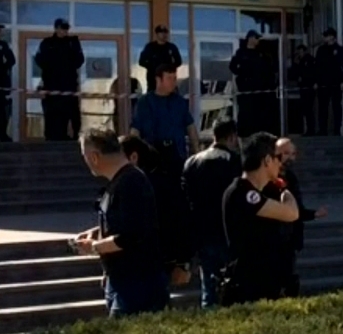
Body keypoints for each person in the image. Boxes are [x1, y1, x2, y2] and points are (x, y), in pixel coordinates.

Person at [73, 129, 169, 318]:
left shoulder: (132, 182)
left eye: (84, 156)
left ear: (94, 157)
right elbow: (121, 221)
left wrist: (94, 247)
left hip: (137, 284)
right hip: (120, 281)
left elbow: (131, 235)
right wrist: (95, 233)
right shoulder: (118, 181)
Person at [220, 132, 299, 305]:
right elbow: (291, 213)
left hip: (263, 280)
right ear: (267, 160)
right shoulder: (244, 193)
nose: (281, 162)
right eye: (278, 157)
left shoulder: (252, 191)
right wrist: (285, 192)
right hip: (250, 285)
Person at [120, 134, 195, 292]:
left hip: (157, 261)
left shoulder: (157, 185)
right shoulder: (126, 187)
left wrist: (183, 262)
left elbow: (181, 220)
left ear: (133, 157)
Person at [182, 119, 242, 309]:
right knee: (231, 287)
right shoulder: (234, 162)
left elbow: (185, 199)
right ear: (232, 137)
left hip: (202, 232)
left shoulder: (192, 162)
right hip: (227, 232)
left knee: (209, 285)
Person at [276, 137, 328, 296]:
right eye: (285, 154)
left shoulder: (290, 177)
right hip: (275, 238)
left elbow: (297, 209)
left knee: (289, 277)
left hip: (290, 237)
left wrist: (314, 214)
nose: (290, 158)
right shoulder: (268, 178)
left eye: (292, 154)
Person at [130, 63, 201, 165]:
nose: (173, 82)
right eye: (169, 78)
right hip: (152, 155)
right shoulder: (145, 102)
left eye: (174, 78)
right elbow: (135, 130)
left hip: (176, 155)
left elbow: (190, 126)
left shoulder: (179, 102)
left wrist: (197, 152)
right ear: (158, 80)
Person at [34, 18, 85, 141]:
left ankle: (73, 136)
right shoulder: (47, 43)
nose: (65, 31)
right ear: (56, 28)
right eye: (62, 28)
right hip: (52, 84)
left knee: (72, 112)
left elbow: (80, 60)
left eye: (66, 28)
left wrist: (68, 67)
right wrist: (52, 69)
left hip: (69, 84)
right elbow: (39, 59)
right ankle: (54, 137)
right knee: (53, 113)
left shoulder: (72, 42)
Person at [229, 30, 276, 138]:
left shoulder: (260, 53)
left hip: (259, 92)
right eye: (256, 38)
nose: (257, 41)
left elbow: (267, 71)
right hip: (246, 91)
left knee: (258, 116)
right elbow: (232, 67)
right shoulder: (241, 52)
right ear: (250, 38)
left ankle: (258, 136)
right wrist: (242, 76)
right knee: (245, 115)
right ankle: (244, 136)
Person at [314, 28, 343, 136]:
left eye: (326, 36)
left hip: (336, 82)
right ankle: (322, 129)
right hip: (323, 83)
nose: (324, 38)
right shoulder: (321, 50)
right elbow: (317, 67)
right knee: (322, 107)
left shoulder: (340, 50)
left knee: (336, 107)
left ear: (332, 36)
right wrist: (316, 81)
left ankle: (337, 130)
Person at [138, 26, 182, 93]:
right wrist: (152, 67)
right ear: (157, 34)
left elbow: (178, 61)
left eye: (165, 33)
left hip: (168, 79)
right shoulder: (150, 47)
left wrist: (169, 69)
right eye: (161, 33)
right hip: (153, 80)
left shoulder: (171, 47)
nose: (164, 35)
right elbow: (141, 61)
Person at [288, 44, 317, 135]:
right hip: (303, 88)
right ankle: (308, 129)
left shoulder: (310, 60)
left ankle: (311, 129)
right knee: (305, 109)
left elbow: (312, 73)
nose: (299, 54)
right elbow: (293, 74)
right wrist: (295, 64)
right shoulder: (300, 62)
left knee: (308, 109)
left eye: (300, 51)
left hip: (309, 88)